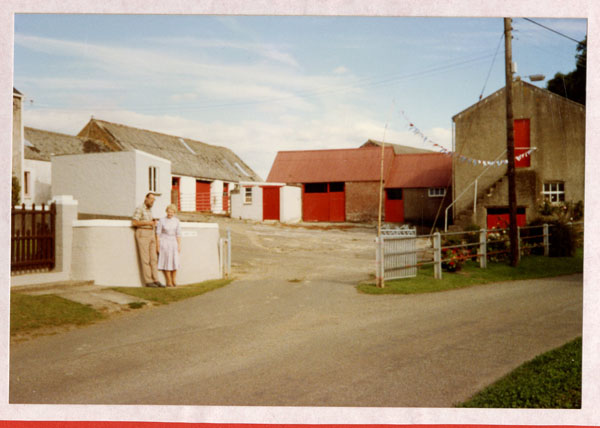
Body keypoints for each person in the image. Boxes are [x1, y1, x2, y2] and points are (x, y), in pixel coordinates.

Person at [132, 193, 165, 288]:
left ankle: (156, 279)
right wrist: (149, 222)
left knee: (154, 259)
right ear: (146, 198)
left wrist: (153, 222)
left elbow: (149, 221)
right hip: (143, 233)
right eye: (151, 199)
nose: (152, 201)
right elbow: (134, 222)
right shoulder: (140, 208)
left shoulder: (149, 210)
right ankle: (148, 281)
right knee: (145, 258)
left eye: (154, 200)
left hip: (151, 233)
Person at [156, 204, 182, 287]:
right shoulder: (162, 220)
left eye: (172, 212)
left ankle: (174, 280)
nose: (170, 213)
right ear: (166, 211)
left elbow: (178, 234)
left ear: (174, 212)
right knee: (167, 261)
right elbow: (158, 234)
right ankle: (169, 281)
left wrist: (179, 245)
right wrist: (158, 245)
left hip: (173, 242)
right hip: (164, 242)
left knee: (175, 261)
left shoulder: (176, 221)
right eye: (169, 212)